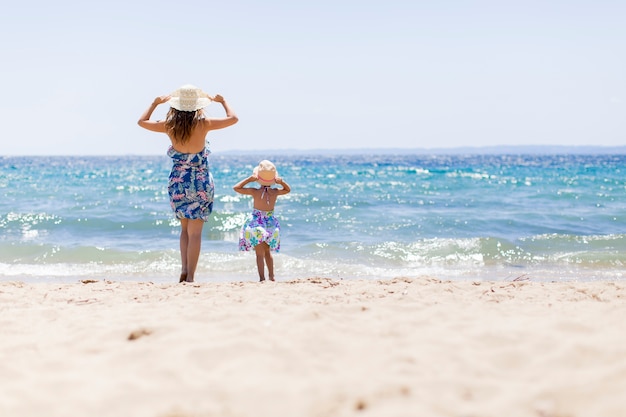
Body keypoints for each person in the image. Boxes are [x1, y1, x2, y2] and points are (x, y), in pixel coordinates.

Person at [138, 84, 238, 282]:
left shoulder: (169, 125)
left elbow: (142, 122)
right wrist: (223, 101)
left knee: (184, 230)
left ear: (175, 105)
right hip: (200, 182)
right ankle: (191, 275)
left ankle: (184, 270)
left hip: (178, 182)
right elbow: (233, 119)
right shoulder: (204, 123)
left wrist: (155, 103)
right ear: (197, 105)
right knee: (195, 233)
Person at [233, 160, 291, 282]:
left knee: (259, 254)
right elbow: (287, 190)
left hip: (257, 225)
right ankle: (272, 276)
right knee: (267, 252)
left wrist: (249, 179)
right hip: (270, 224)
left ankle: (262, 278)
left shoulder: (255, 191)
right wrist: (281, 182)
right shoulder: (274, 192)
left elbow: (236, 188)